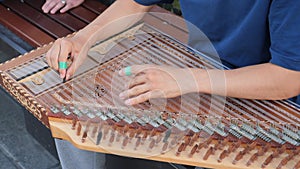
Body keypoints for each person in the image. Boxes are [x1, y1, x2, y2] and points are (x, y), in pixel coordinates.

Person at [45, 0, 300, 169]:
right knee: (75, 109)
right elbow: (134, 3)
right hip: (195, 69)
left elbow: (288, 77)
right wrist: (83, 38)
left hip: (265, 99)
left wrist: (186, 79)